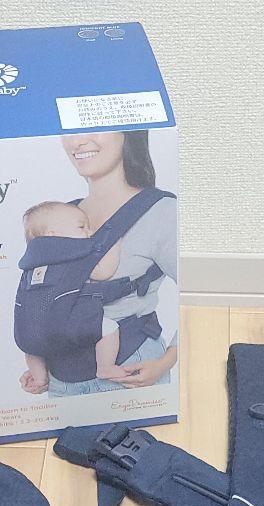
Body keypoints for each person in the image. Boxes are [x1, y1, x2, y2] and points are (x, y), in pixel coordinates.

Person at [20, 130, 178, 397]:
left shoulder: (161, 212)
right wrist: (40, 369)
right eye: (69, 132)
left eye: (93, 129)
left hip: (130, 368)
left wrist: (166, 361)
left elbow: (197, 295)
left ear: (128, 133)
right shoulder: (58, 217)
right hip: (61, 378)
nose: (77, 141)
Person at [19, 201, 123, 394]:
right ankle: (105, 367)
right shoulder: (73, 253)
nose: (89, 232)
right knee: (110, 328)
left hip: (31, 331)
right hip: (66, 327)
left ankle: (39, 376)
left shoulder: (30, 264)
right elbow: (103, 272)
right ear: (53, 235)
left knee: (33, 345)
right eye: (82, 227)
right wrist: (114, 242)